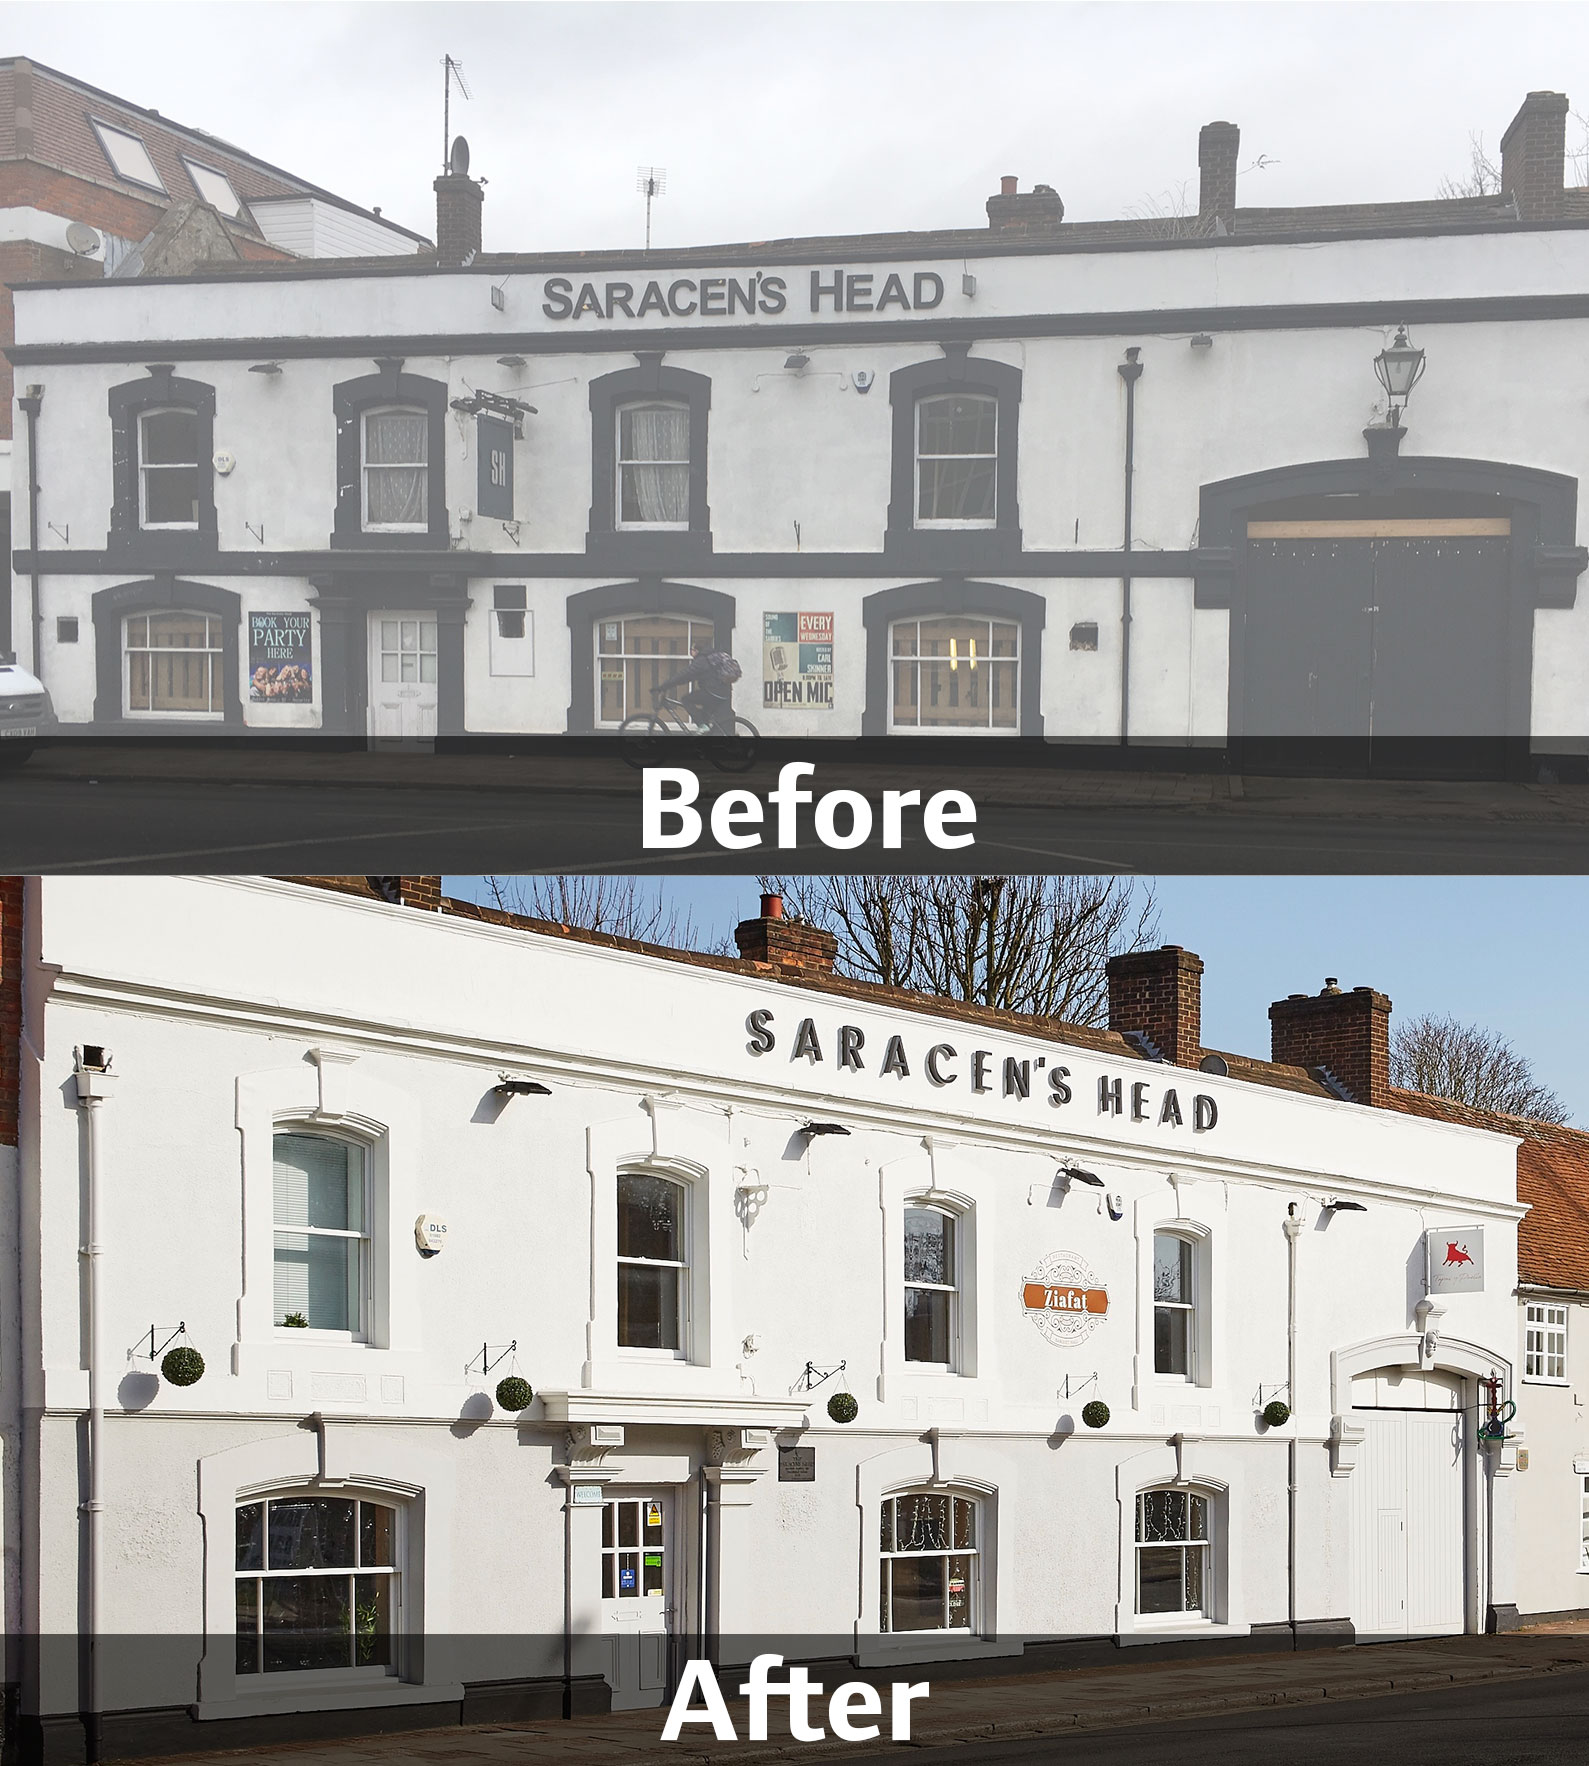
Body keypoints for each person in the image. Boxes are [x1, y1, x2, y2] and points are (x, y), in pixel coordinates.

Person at [656, 643, 742, 731]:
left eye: (691, 650)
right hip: (724, 693)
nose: (690, 653)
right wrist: (671, 684)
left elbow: (684, 675)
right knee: (705, 717)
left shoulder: (702, 661)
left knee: (686, 699)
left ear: (696, 651)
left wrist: (665, 685)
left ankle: (702, 726)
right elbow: (688, 678)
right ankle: (705, 730)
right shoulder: (712, 657)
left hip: (712, 692)